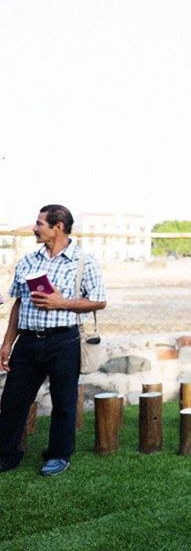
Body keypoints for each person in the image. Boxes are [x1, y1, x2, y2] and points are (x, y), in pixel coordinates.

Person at [0, 204, 107, 476]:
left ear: (57, 227)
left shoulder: (84, 262)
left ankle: (58, 455)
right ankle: (7, 454)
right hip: (27, 343)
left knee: (64, 402)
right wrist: (6, 344)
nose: (34, 228)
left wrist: (62, 302)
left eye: (39, 223)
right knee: (12, 400)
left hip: (64, 342)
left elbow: (99, 301)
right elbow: (18, 304)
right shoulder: (28, 261)